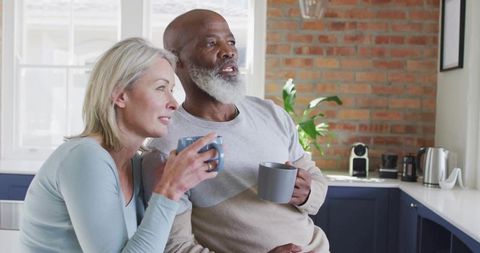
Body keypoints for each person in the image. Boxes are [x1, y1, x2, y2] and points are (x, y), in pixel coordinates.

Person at [143, 9, 330, 253]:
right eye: (211, 43)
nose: (229, 51)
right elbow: (176, 247)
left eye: (230, 41)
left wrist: (307, 193)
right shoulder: (166, 145)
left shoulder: (269, 113)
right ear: (178, 61)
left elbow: (316, 180)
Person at [19, 37, 219, 252]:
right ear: (121, 95)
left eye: (171, 89)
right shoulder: (85, 157)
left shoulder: (133, 164)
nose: (173, 103)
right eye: (161, 88)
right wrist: (170, 189)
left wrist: (172, 185)